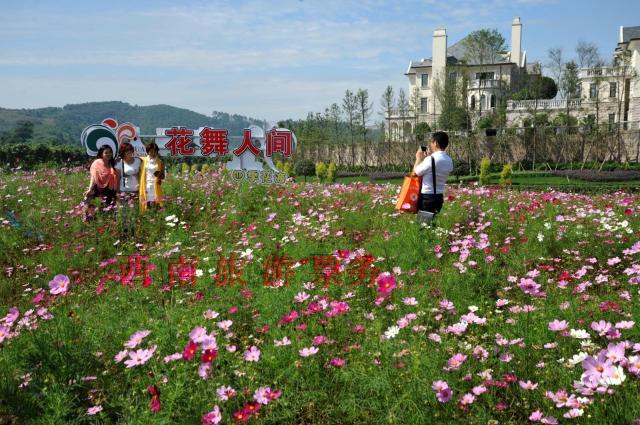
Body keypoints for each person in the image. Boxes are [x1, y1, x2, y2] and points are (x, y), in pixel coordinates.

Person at [413, 131, 454, 215]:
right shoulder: (449, 160)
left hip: (427, 197)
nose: (431, 145)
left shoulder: (431, 159)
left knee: (424, 225)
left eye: (431, 142)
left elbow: (415, 173)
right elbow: (435, 170)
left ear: (435, 143)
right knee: (433, 222)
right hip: (439, 196)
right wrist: (428, 158)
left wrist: (418, 158)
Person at [83, 145, 120, 220]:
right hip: (99, 191)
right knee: (96, 212)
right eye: (106, 152)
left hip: (110, 192)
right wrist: (90, 189)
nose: (108, 154)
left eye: (110, 152)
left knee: (109, 214)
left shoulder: (112, 163)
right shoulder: (96, 163)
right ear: (101, 154)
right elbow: (93, 177)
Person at [115, 142, 141, 234]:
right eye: (126, 151)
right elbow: (117, 178)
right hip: (124, 191)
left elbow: (140, 174)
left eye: (130, 151)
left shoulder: (138, 161)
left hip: (136, 190)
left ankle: (133, 232)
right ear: (122, 152)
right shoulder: (119, 162)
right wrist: (117, 192)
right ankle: (125, 233)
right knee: (124, 213)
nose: (129, 153)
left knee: (134, 213)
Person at [139, 142, 165, 213]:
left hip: (155, 185)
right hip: (146, 184)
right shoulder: (143, 160)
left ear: (157, 152)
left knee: (156, 202)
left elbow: (163, 176)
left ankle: (155, 217)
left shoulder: (160, 162)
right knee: (146, 202)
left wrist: (159, 176)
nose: (152, 153)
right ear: (148, 151)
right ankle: (146, 217)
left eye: (154, 151)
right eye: (150, 151)